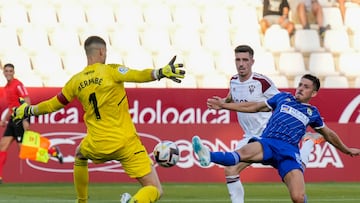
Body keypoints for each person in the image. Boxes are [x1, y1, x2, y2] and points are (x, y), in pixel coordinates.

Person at [12, 36, 185, 203]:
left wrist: (28, 110)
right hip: (126, 144)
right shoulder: (111, 71)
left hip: (97, 144)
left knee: (80, 154)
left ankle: (82, 200)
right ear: (102, 51)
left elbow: (52, 105)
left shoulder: (75, 81)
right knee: (155, 189)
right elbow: (138, 75)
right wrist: (160, 73)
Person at [195, 73, 360, 203]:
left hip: (289, 151)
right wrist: (224, 105)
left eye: (306, 87)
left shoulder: (312, 113)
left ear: (314, 92)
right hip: (269, 142)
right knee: (239, 154)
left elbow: (329, 134)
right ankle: (207, 155)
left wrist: (346, 150)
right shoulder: (283, 98)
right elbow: (254, 106)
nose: (300, 88)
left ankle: (308, 142)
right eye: (300, 84)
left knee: (298, 197)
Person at [212, 45, 324, 203]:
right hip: (249, 135)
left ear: (252, 61)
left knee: (294, 175)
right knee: (230, 169)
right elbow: (232, 96)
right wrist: (223, 102)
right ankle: (309, 142)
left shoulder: (262, 82)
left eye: (245, 60)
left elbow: (284, 104)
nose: (241, 63)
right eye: (238, 60)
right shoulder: (234, 81)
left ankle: (308, 143)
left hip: (268, 134)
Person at [0, 63, 63, 184]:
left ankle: (52, 151)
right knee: (2, 145)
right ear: (3, 72)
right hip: (13, 119)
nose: (8, 73)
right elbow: (11, 107)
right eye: (6, 71)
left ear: (13, 72)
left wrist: (25, 118)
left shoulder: (18, 85)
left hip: (20, 119)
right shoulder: (6, 88)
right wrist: (4, 119)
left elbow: (27, 100)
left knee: (23, 149)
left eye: (10, 71)